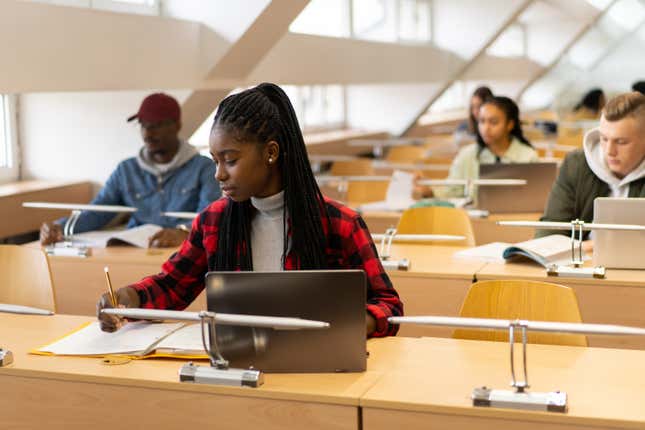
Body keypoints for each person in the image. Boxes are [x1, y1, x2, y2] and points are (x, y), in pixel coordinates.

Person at [97, 83, 403, 337]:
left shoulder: (341, 224)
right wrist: (128, 298)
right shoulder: (213, 221)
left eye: (230, 160)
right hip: (239, 367)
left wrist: (349, 326)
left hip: (317, 369)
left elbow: (388, 306)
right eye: (215, 161)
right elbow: (173, 286)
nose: (218, 174)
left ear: (271, 152)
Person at [39, 93, 220, 248]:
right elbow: (97, 211)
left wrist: (182, 232)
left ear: (176, 125)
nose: (147, 133)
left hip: (182, 253)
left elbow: (209, 218)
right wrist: (60, 227)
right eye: (143, 124)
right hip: (135, 250)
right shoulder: (126, 170)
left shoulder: (205, 168)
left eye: (155, 125)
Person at [537, 92, 645, 242]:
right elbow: (549, 232)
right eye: (604, 139)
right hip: (577, 263)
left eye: (621, 142)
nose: (609, 151)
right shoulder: (576, 164)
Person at [416, 96, 538, 199]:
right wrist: (429, 190)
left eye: (493, 122)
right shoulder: (467, 155)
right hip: (474, 223)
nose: (486, 128)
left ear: (510, 124)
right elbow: (452, 190)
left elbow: (535, 196)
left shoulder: (528, 156)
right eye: (482, 121)